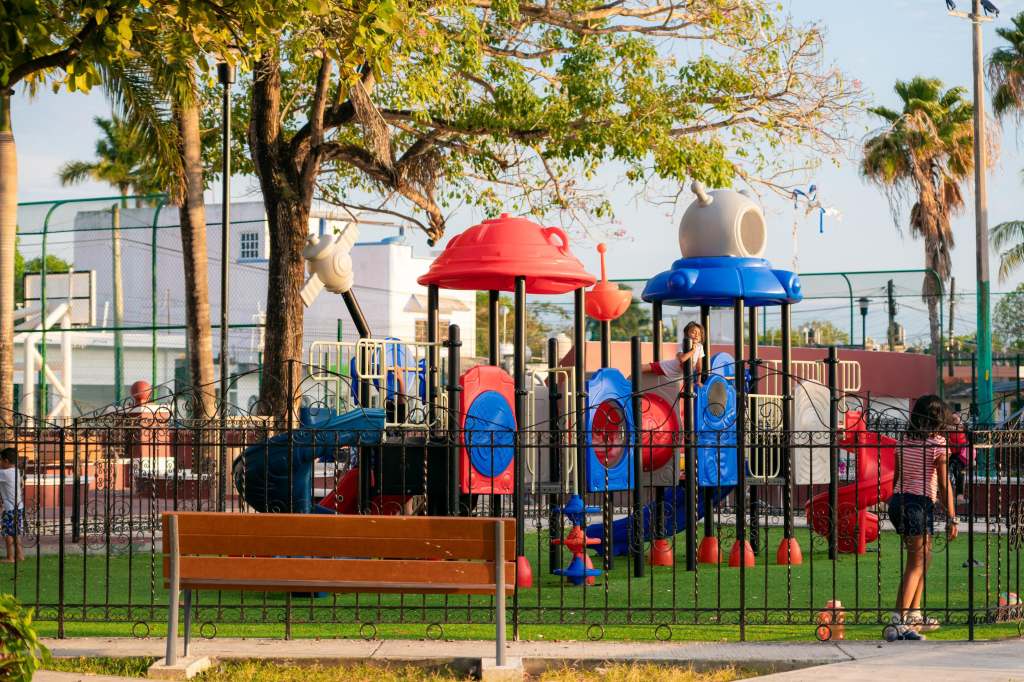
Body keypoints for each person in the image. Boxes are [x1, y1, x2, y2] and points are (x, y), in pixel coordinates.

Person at [887, 395, 958, 640]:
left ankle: (914, 615)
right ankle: (898, 622)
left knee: (922, 560)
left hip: (899, 502)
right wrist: (952, 517)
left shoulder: (904, 440)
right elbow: (945, 483)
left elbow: (897, 477)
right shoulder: (937, 444)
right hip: (917, 505)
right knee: (916, 564)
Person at [0, 448, 25, 563]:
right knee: (16, 532)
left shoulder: (4, 473)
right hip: (18, 507)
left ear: (6, 461)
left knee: (7, 533)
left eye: (1, 460)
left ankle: (10, 557)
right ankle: (20, 555)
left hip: (10, 508)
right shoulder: (16, 471)